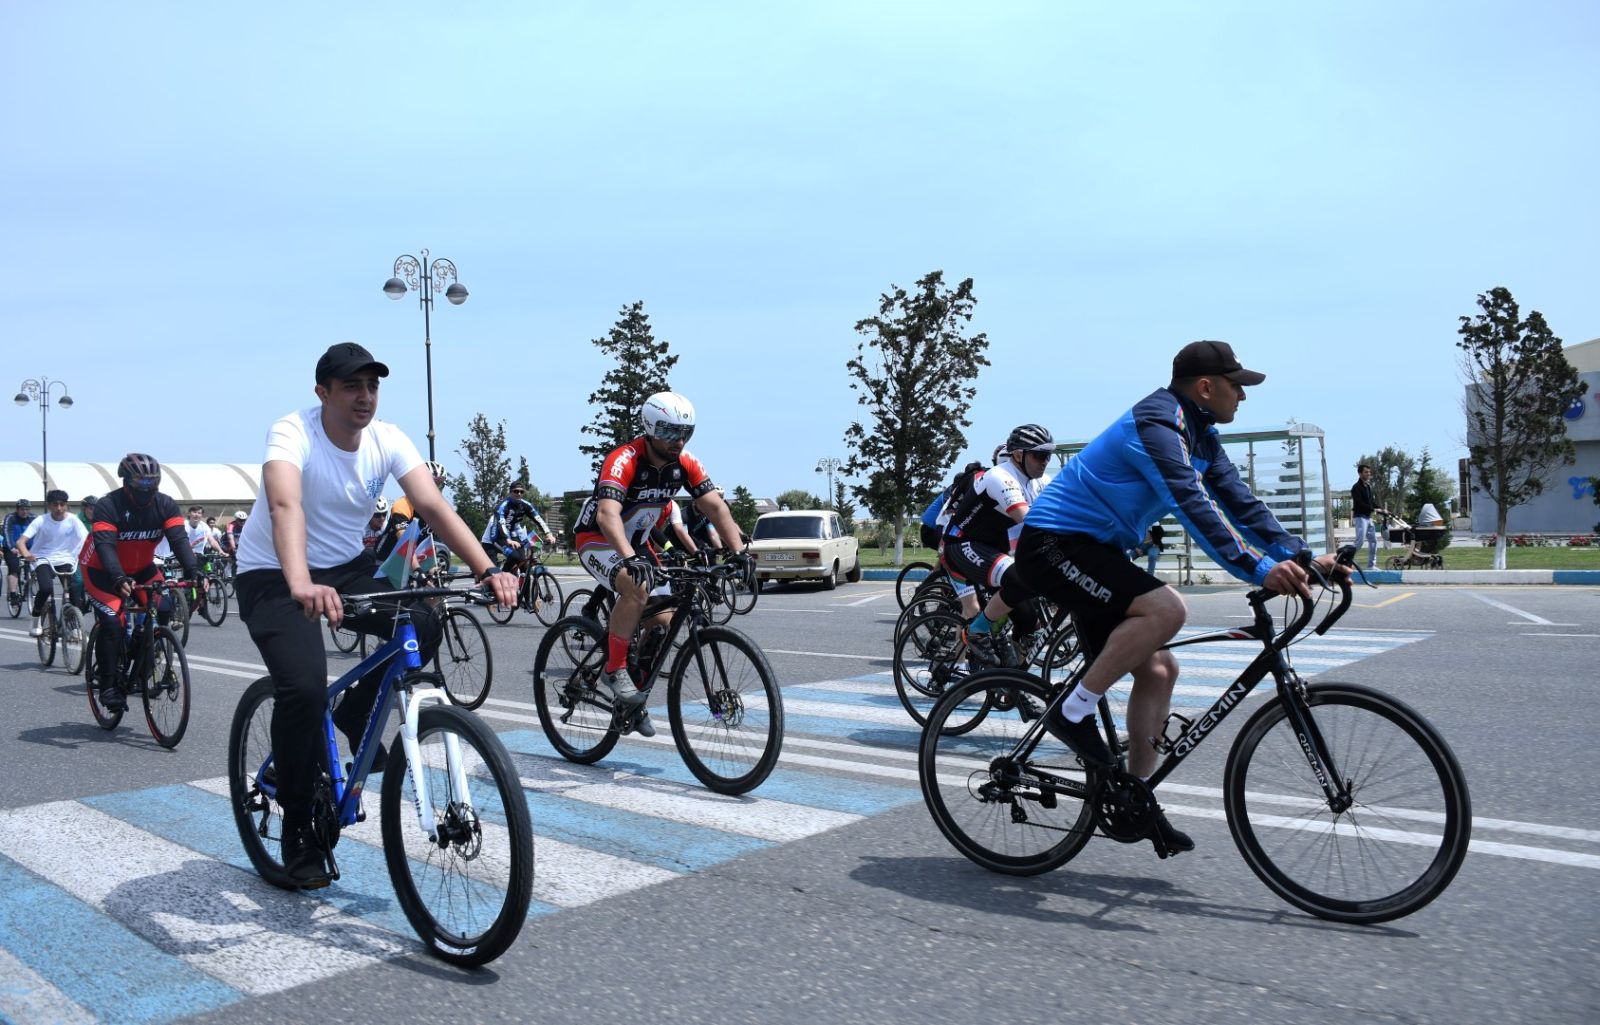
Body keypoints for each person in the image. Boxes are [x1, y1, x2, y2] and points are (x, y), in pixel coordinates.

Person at [1015, 340, 1343, 859]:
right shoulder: (1157, 424)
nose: (1243, 396)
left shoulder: (1201, 433)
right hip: (1054, 544)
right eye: (1237, 386)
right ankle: (1072, 712)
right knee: (1167, 608)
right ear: (1206, 387)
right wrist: (1260, 568)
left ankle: (1135, 798)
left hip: (1096, 548)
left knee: (1161, 670)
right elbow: (1191, 504)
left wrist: (1302, 557)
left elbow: (1240, 502)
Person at [234, 342, 517, 890]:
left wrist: (487, 568)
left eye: (372, 386)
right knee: (304, 688)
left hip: (345, 568)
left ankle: (355, 716)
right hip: (274, 572)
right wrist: (300, 582)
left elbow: (433, 505)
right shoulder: (292, 432)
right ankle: (298, 830)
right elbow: (285, 504)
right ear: (323, 393)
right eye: (351, 387)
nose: (365, 397)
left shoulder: (386, 438)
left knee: (424, 623)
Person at [571, 391, 753, 737]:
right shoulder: (624, 459)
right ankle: (614, 669)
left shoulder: (685, 462)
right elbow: (607, 515)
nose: (678, 441)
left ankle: (633, 698)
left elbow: (715, 507)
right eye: (670, 432)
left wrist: (739, 552)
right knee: (636, 586)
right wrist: (628, 558)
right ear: (650, 429)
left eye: (686, 433)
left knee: (663, 624)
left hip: (637, 544)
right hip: (598, 539)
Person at [81, 455, 203, 711]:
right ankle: (108, 686)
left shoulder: (165, 504)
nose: (147, 487)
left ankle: (141, 653)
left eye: (152, 481)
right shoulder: (108, 505)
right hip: (102, 571)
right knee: (113, 622)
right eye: (141, 481)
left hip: (142, 569)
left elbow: (179, 540)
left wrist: (194, 572)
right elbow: (105, 547)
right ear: (126, 481)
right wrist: (118, 577)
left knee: (164, 607)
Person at [940, 425, 1055, 666]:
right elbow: (1030, 521)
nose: (1045, 461)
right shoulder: (1000, 477)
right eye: (1039, 455)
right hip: (962, 545)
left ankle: (1015, 681)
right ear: (1018, 455)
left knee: (1028, 622)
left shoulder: (1036, 481)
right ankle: (975, 633)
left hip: (993, 551)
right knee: (1018, 580)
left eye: (1048, 455)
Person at [16, 490, 88, 636]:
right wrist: (26, 554)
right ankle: (36, 617)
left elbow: (86, 539)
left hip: (66, 559)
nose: (59, 508)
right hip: (43, 559)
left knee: (74, 590)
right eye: (55, 505)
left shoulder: (73, 520)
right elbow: (21, 542)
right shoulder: (41, 520)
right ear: (49, 506)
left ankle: (74, 625)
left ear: (66, 505)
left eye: (62, 505)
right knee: (46, 588)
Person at [479, 482, 557, 573]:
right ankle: (503, 576)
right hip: (494, 538)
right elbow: (501, 524)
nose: (519, 493)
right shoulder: (502, 507)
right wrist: (508, 540)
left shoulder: (525, 505)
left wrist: (548, 534)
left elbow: (538, 519)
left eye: (521, 492)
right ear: (510, 492)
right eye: (516, 491)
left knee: (523, 564)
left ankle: (522, 581)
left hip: (511, 535)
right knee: (512, 557)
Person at [3, 498, 37, 613]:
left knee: (37, 565)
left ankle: (30, 584)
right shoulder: (10, 518)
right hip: (12, 547)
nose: (25, 511)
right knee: (14, 568)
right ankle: (13, 594)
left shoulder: (33, 518)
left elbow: (40, 532)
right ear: (17, 510)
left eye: (27, 509)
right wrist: (12, 547)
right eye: (22, 509)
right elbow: (7, 533)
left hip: (28, 547)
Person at [1349, 464, 1384, 571]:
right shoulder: (1356, 488)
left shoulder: (1368, 487)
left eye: (1369, 472)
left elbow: (1371, 502)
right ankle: (1346, 560)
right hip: (1360, 517)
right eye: (1366, 472)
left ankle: (1371, 565)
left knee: (1373, 541)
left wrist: (1381, 509)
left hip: (1368, 518)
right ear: (1360, 473)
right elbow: (1359, 504)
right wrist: (1374, 510)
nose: (1368, 474)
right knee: (1359, 542)